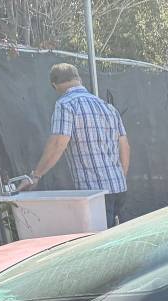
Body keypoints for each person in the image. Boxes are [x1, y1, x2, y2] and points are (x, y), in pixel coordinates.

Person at [26, 63, 131, 226]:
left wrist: (36, 176)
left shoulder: (65, 105)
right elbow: (124, 146)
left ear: (54, 85)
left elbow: (57, 144)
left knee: (99, 245)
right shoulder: (107, 107)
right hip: (119, 187)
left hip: (95, 193)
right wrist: (120, 176)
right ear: (78, 79)